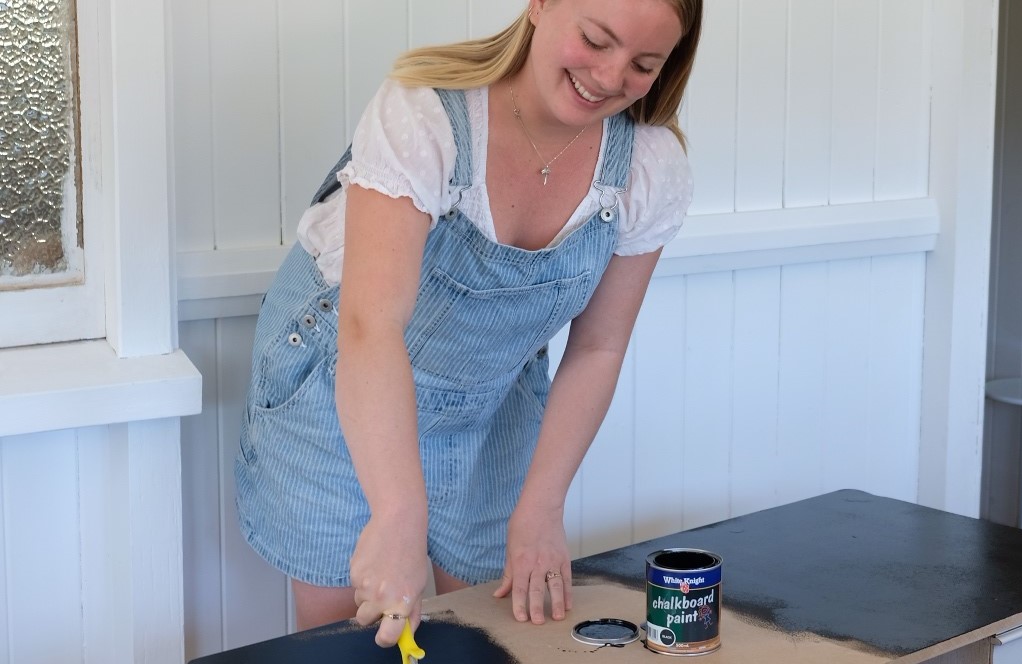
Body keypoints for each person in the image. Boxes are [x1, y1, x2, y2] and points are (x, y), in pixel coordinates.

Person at [234, 0, 702, 649]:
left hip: (492, 392)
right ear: (541, 5)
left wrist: (541, 509)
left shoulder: (646, 167)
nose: (609, 75)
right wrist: (397, 515)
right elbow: (372, 327)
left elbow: (598, 347)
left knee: (490, 622)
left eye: (643, 64)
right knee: (350, 631)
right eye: (596, 39)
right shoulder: (427, 114)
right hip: (343, 375)